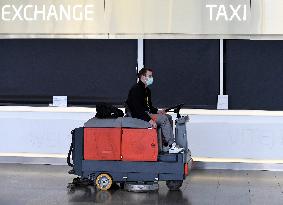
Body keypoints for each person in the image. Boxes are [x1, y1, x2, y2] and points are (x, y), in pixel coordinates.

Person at [126, 68, 184, 153]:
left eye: (151, 76)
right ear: (142, 77)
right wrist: (150, 120)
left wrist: (158, 111)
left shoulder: (147, 90)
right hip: (137, 115)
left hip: (145, 113)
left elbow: (149, 107)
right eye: (149, 76)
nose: (151, 78)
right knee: (163, 119)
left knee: (168, 117)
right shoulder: (136, 89)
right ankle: (171, 145)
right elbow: (137, 110)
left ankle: (166, 145)